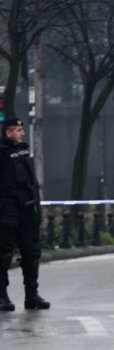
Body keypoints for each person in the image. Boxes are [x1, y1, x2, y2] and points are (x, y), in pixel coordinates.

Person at [0, 117, 50, 312]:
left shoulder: (23, 151)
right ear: (8, 133)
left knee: (31, 253)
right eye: (19, 130)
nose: (22, 133)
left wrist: (37, 208)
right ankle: (2, 295)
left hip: (27, 210)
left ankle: (32, 295)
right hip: (7, 211)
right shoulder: (2, 154)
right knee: (4, 255)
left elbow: (32, 182)